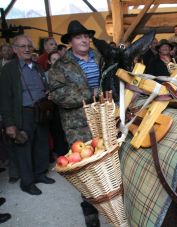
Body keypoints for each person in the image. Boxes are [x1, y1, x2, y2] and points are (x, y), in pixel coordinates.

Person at [48, 20, 109, 227]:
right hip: (78, 125)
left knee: (108, 162)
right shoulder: (61, 65)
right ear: (70, 42)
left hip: (104, 119)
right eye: (78, 37)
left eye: (86, 36)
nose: (83, 40)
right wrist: (90, 94)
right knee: (86, 169)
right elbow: (57, 94)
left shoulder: (99, 57)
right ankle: (90, 211)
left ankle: (112, 205)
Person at [0, 34, 55, 196]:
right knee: (23, 149)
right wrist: (9, 124)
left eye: (29, 46)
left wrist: (47, 93)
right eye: (22, 46)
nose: (27, 49)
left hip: (41, 111)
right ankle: (27, 182)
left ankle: (39, 174)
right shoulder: (8, 69)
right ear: (15, 50)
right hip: (22, 114)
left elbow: (43, 84)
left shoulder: (37, 66)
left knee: (41, 145)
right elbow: (4, 98)